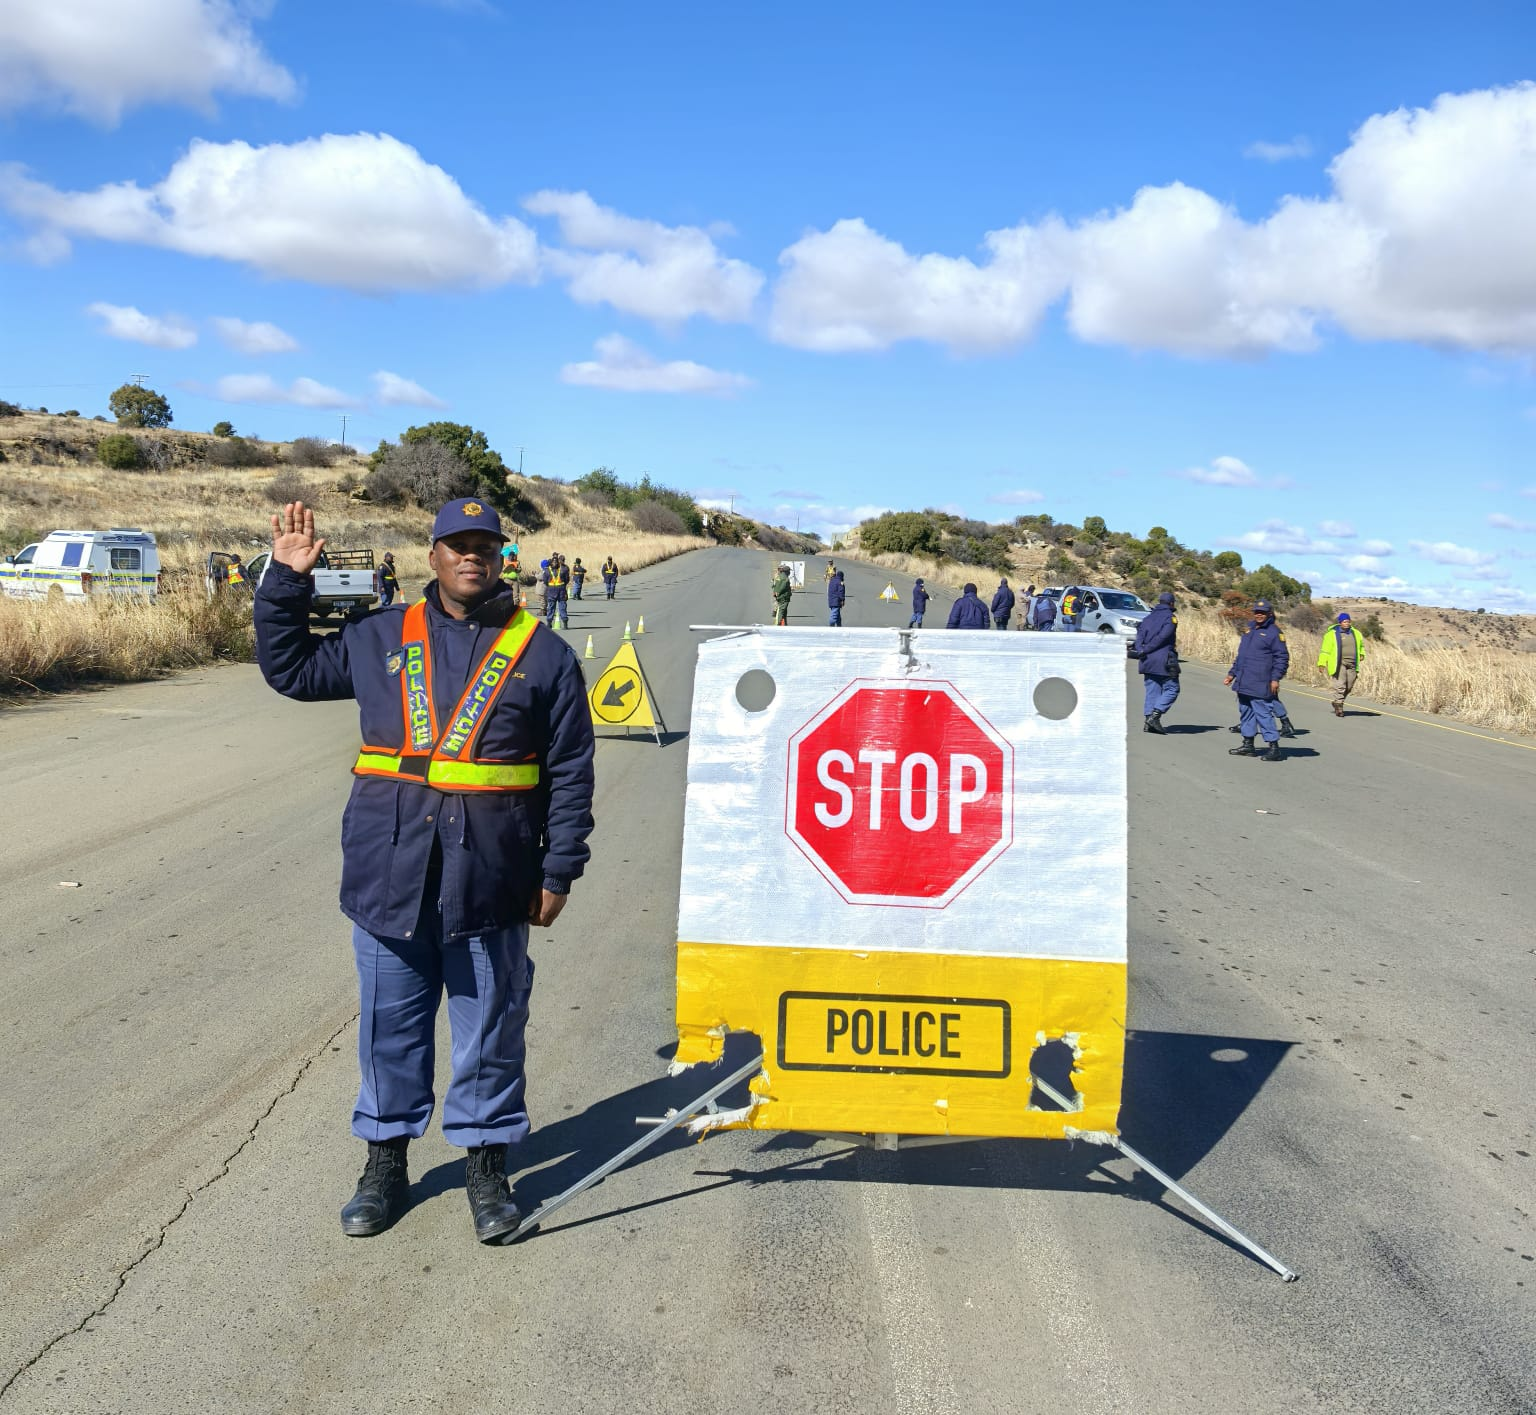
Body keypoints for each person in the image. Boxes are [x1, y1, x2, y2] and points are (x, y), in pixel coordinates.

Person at [254, 497, 595, 1245]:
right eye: (456, 543)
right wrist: (285, 579)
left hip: (493, 883)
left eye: (485, 544)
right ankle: (386, 1161)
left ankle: (485, 1163)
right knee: (389, 1032)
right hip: (390, 877)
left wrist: (559, 869)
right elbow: (290, 668)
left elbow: (570, 772)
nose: (471, 555)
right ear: (431, 554)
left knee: (491, 1034)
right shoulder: (379, 636)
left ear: (503, 557)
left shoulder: (545, 655)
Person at [1226, 599, 1290, 761]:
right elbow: (1242, 657)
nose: (1259, 615)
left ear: (1270, 613)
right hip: (1244, 680)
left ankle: (1274, 747)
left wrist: (1275, 678)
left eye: (1262, 612)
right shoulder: (1250, 631)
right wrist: (1232, 674)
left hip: (1261, 681)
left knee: (1263, 714)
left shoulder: (1275, 633)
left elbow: (1282, 658)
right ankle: (1248, 745)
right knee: (1246, 713)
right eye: (1257, 612)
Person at [1131, 591, 1179, 734]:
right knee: (1172, 688)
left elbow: (1139, 637)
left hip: (1147, 660)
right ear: (1171, 603)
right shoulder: (1170, 619)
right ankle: (1154, 716)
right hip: (1164, 659)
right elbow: (1162, 638)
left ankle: (1148, 722)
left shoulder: (1147, 618)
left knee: (1153, 689)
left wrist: (1141, 650)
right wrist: (1147, 650)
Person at [1318, 611, 1366, 717]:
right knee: (1341, 685)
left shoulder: (1356, 633)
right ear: (1340, 623)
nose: (1346, 623)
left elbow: (1361, 646)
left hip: (1353, 663)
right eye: (1344, 621)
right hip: (1339, 663)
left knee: (1349, 686)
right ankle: (1339, 707)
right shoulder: (1331, 635)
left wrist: (1362, 654)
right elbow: (1325, 650)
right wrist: (1321, 663)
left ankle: (1337, 701)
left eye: (1348, 621)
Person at [545, 556, 569, 629]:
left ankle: (551, 623)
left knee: (557, 607)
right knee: (557, 607)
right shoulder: (563, 569)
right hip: (559, 590)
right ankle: (551, 623)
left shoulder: (547, 571)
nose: (555, 563)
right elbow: (566, 580)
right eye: (554, 562)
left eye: (555, 562)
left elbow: (545, 581)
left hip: (554, 591)